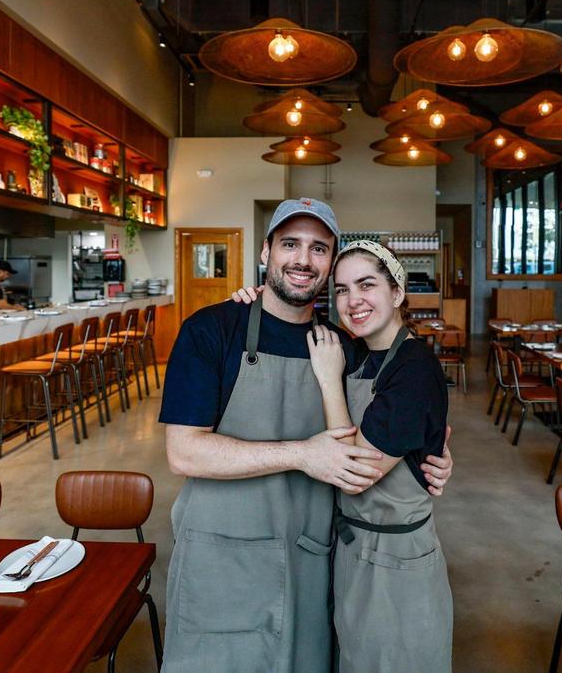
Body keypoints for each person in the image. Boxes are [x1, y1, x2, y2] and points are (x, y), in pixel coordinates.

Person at [159, 198, 453, 673]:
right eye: (290, 244)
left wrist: (431, 452)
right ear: (266, 252)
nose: (303, 259)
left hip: (310, 558)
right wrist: (302, 454)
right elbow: (184, 453)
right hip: (221, 556)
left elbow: (394, 421)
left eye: (319, 248)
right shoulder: (212, 330)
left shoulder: (346, 347)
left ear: (330, 263)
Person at [308, 240, 453, 671]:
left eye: (366, 284)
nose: (353, 300)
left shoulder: (415, 368)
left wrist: (329, 381)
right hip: (352, 547)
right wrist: (250, 297)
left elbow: (355, 472)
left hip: (396, 561)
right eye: (342, 289)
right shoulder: (358, 353)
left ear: (397, 292)